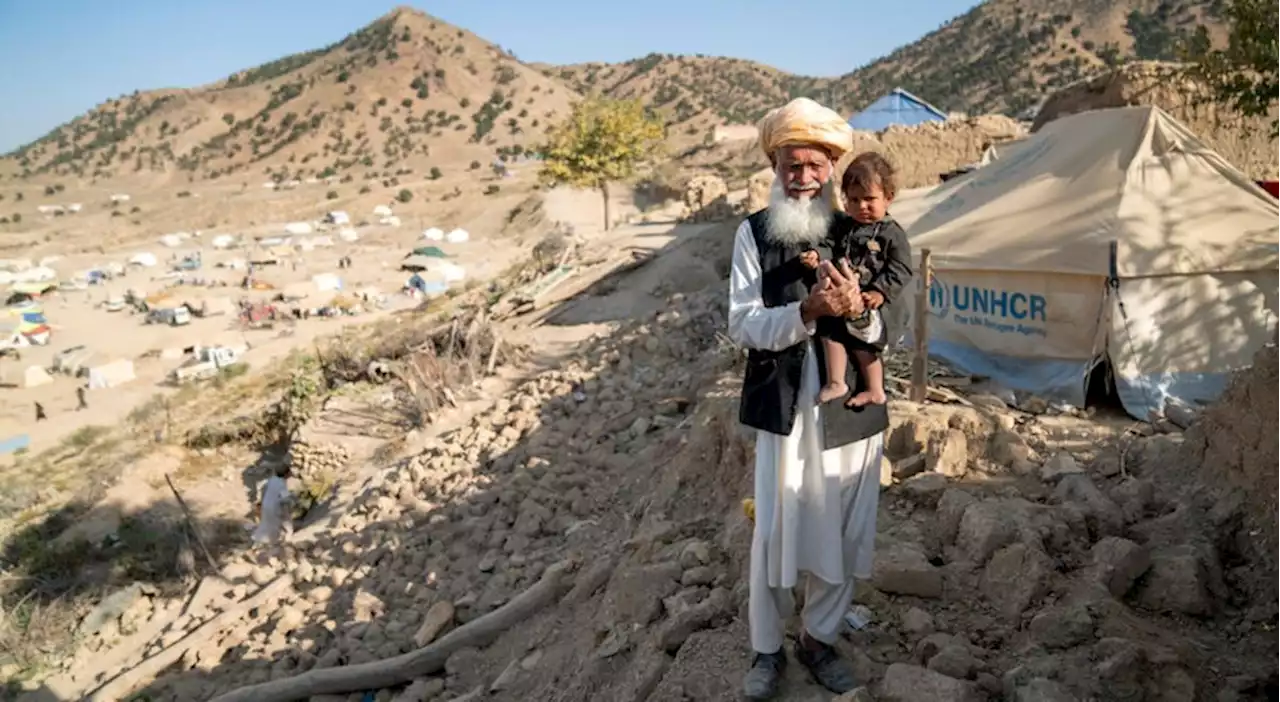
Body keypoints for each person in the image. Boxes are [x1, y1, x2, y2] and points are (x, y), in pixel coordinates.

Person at [729, 97, 891, 700]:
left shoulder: (861, 231)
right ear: (775, 168)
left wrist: (858, 313)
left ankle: (819, 638)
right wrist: (807, 312)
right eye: (791, 166)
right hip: (783, 401)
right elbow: (743, 324)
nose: (803, 179)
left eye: (815, 165)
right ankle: (767, 650)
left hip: (850, 404)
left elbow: (883, 329)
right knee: (775, 527)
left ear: (831, 166)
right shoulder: (752, 234)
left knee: (844, 528)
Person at [801, 152, 914, 407]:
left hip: (873, 306)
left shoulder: (892, 234)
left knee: (865, 347)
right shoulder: (845, 227)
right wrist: (817, 256)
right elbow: (830, 247)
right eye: (854, 200)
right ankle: (836, 382)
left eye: (869, 199)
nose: (862, 206)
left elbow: (901, 268)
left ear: (888, 197)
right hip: (844, 301)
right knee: (831, 334)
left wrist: (879, 292)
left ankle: (875, 390)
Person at [251, 464, 294, 545]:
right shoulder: (282, 484)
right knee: (288, 527)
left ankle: (258, 541)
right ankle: (287, 543)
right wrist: (290, 504)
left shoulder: (272, 480)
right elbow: (285, 499)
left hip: (266, 505)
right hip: (275, 507)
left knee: (266, 524)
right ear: (286, 474)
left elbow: (263, 490)